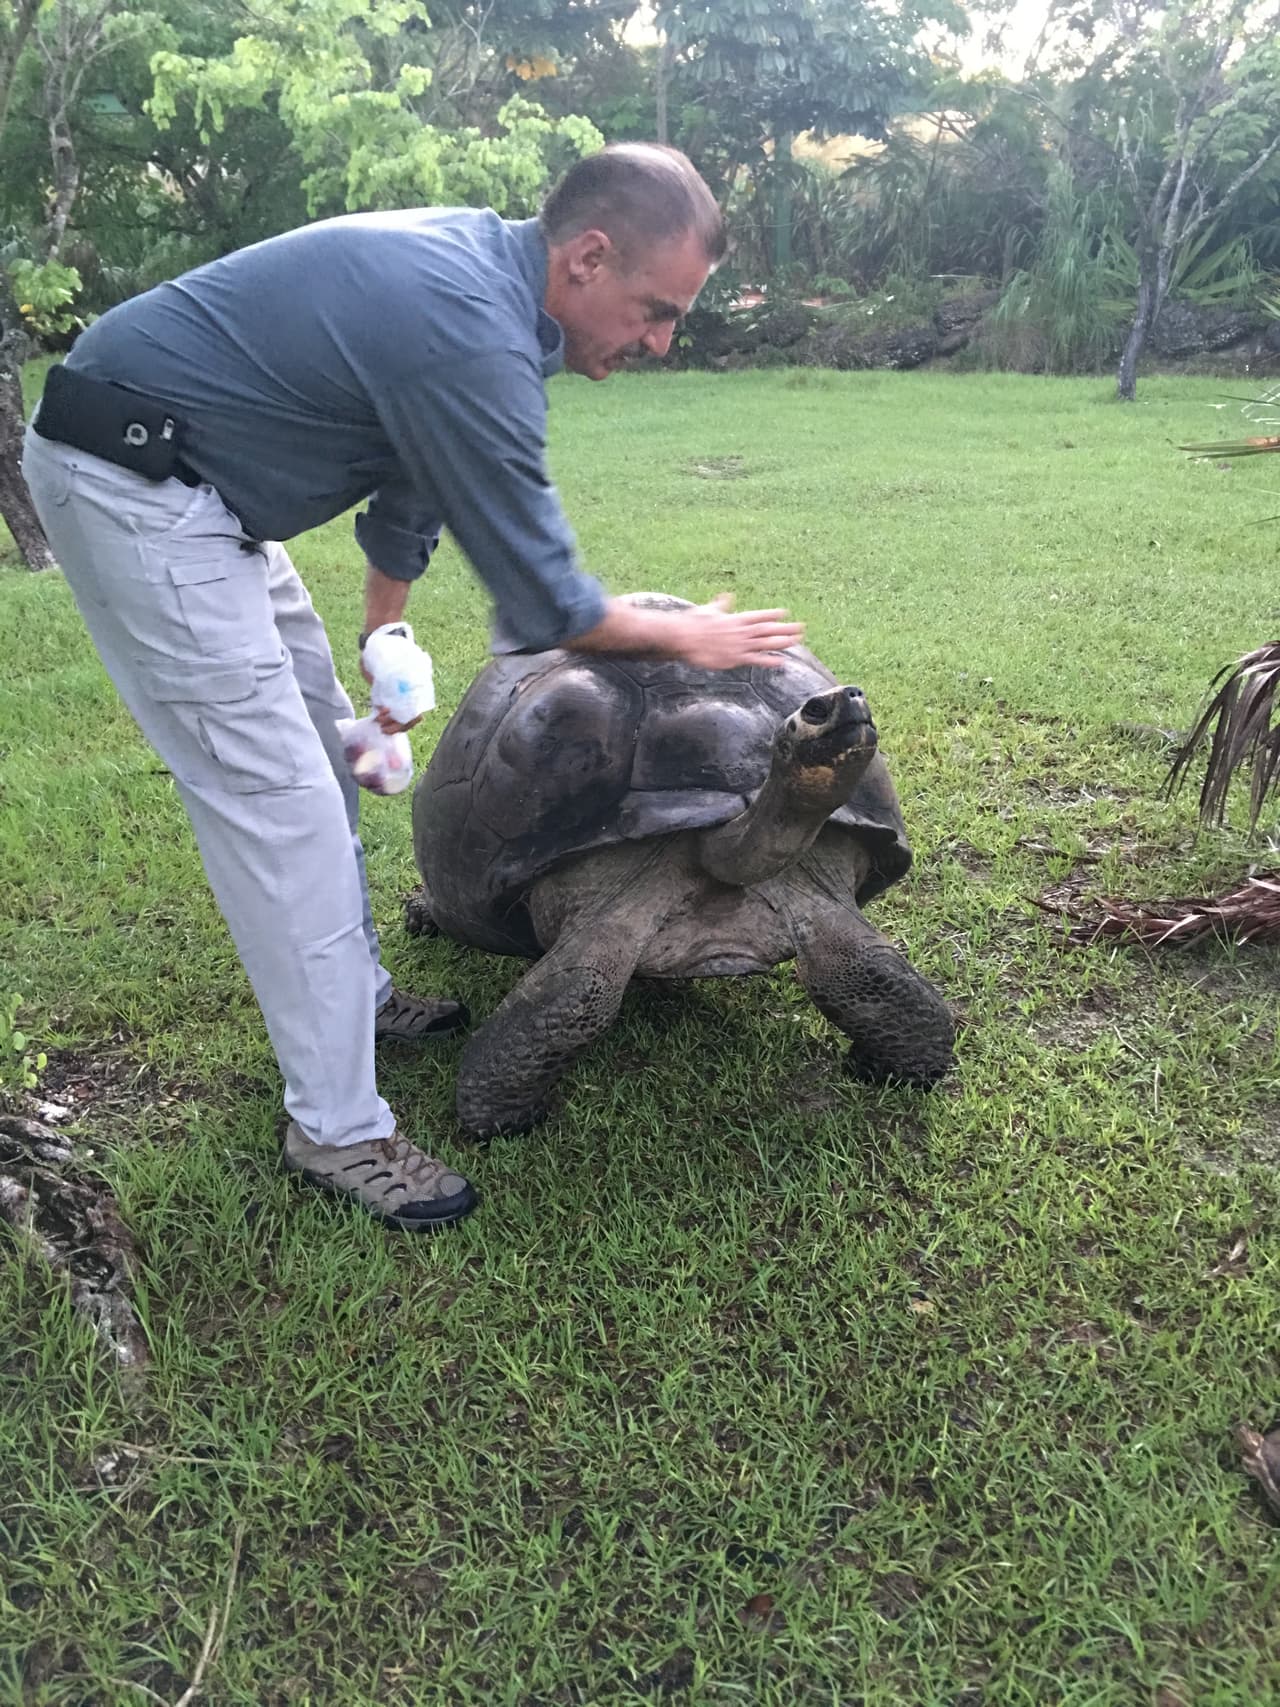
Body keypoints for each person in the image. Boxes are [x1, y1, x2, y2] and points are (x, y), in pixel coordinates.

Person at [20, 143, 803, 1233]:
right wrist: (696, 641)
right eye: (654, 309)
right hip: (139, 482)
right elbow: (549, 602)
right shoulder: (469, 328)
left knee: (317, 756)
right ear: (585, 256)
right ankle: (336, 1130)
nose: (661, 340)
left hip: (208, 493)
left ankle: (359, 1001)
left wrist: (381, 625)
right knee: (280, 806)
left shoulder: (488, 290)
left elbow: (412, 470)